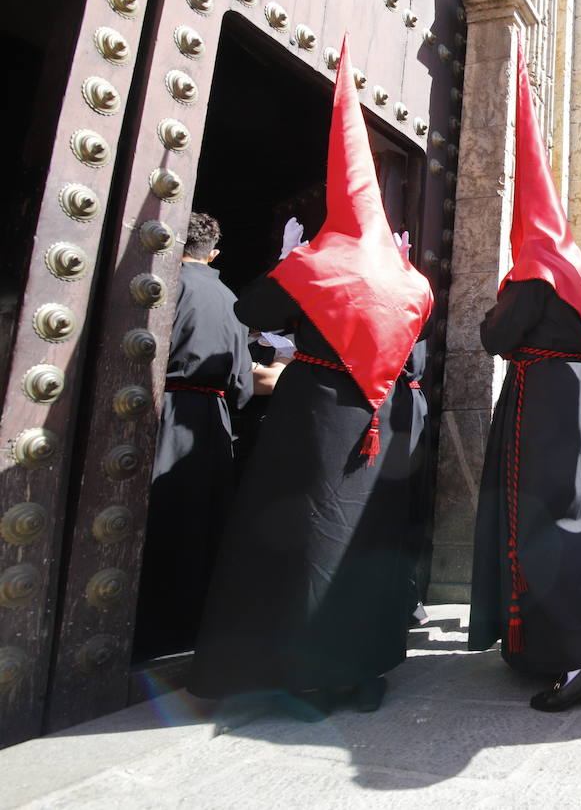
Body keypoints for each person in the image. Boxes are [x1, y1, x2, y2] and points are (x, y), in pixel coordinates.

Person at [191, 39, 433, 719]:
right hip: (380, 424)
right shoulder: (411, 279)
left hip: (316, 415)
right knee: (364, 543)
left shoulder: (316, 262)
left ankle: (298, 672)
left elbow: (250, 309)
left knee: (303, 537)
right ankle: (360, 669)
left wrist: (299, 275)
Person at [468, 44, 581, 713]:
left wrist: (495, 301)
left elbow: (496, 337)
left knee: (540, 521)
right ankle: (559, 641)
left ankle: (573, 654)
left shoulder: (536, 268)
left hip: (543, 401)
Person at [133, 212, 254, 661]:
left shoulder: (163, 284)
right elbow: (242, 386)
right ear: (214, 253)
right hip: (214, 420)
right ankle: (189, 626)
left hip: (165, 412)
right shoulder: (230, 298)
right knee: (201, 522)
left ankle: (148, 627)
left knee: (158, 521)